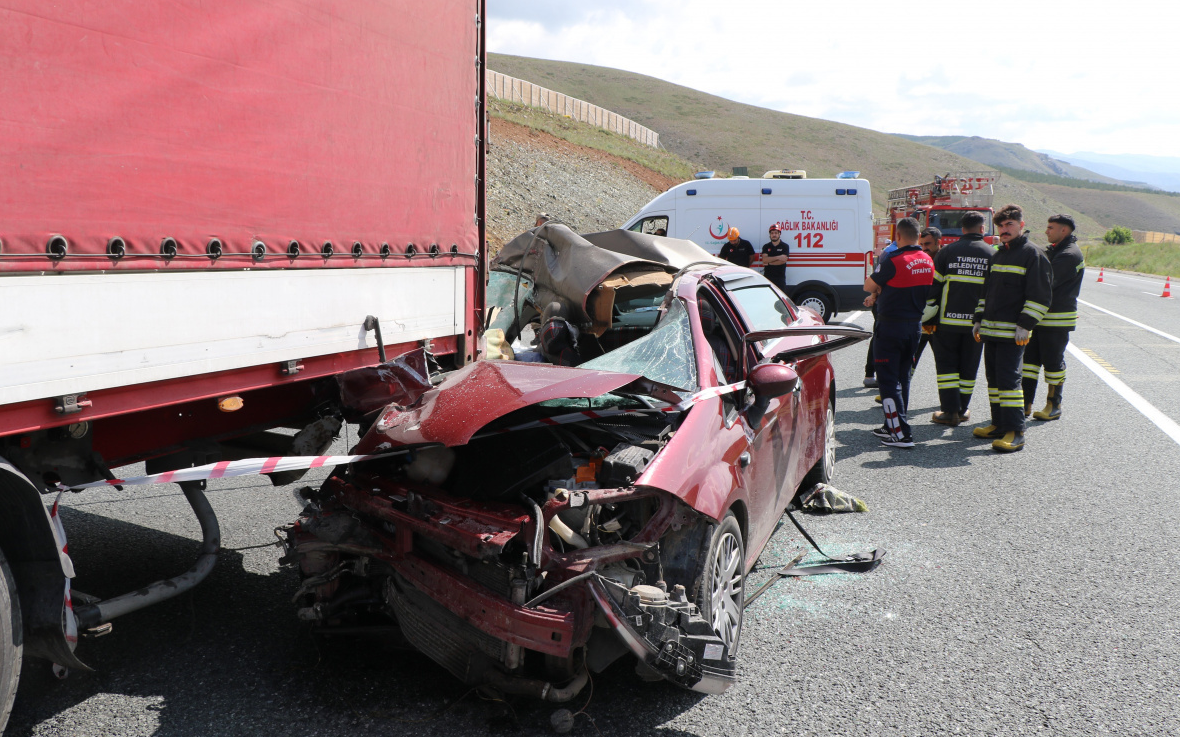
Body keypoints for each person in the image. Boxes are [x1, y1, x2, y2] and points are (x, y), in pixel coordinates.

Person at [971, 204, 1052, 452]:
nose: (1005, 230)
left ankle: (1016, 431)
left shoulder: (1033, 255)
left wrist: (1026, 325)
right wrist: (978, 319)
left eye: (1010, 225)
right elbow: (986, 292)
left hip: (1013, 333)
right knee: (994, 381)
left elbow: (1040, 296)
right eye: (1001, 226)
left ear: (1021, 226)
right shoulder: (998, 254)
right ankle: (998, 424)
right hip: (991, 332)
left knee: (1009, 382)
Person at [863, 217, 934, 447]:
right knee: (903, 378)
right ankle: (891, 425)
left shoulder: (894, 259)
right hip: (913, 326)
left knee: (888, 380)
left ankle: (901, 434)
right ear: (918, 236)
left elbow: (868, 286)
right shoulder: (927, 259)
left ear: (898, 236)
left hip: (890, 326)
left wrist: (878, 289)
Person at [922, 212, 993, 425]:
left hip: (947, 323)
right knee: (968, 367)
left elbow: (933, 288)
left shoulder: (947, 252)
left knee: (947, 368)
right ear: (982, 229)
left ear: (962, 229)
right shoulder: (992, 254)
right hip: (977, 325)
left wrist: (928, 319)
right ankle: (962, 410)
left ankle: (949, 411)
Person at [1022, 214, 1085, 421]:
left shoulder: (1069, 254)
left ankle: (1054, 405)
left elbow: (1046, 281)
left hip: (1056, 320)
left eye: (1051, 227)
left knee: (1053, 363)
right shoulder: (1056, 250)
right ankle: (1025, 405)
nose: (1047, 231)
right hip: (1040, 318)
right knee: (1029, 363)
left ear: (1064, 230)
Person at [910, 227, 943, 373]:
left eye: (928, 244)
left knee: (943, 362)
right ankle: (900, 391)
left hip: (938, 323)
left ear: (938, 242)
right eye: (921, 244)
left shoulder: (945, 259)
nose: (924, 248)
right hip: (921, 320)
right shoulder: (919, 259)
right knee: (910, 358)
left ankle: (948, 395)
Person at [761, 225, 790, 292]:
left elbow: (783, 260)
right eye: (772, 233)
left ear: (779, 234)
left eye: (776, 233)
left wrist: (769, 262)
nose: (774, 235)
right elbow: (765, 260)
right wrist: (778, 257)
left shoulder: (785, 246)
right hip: (768, 277)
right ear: (770, 235)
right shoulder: (766, 246)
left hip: (780, 278)